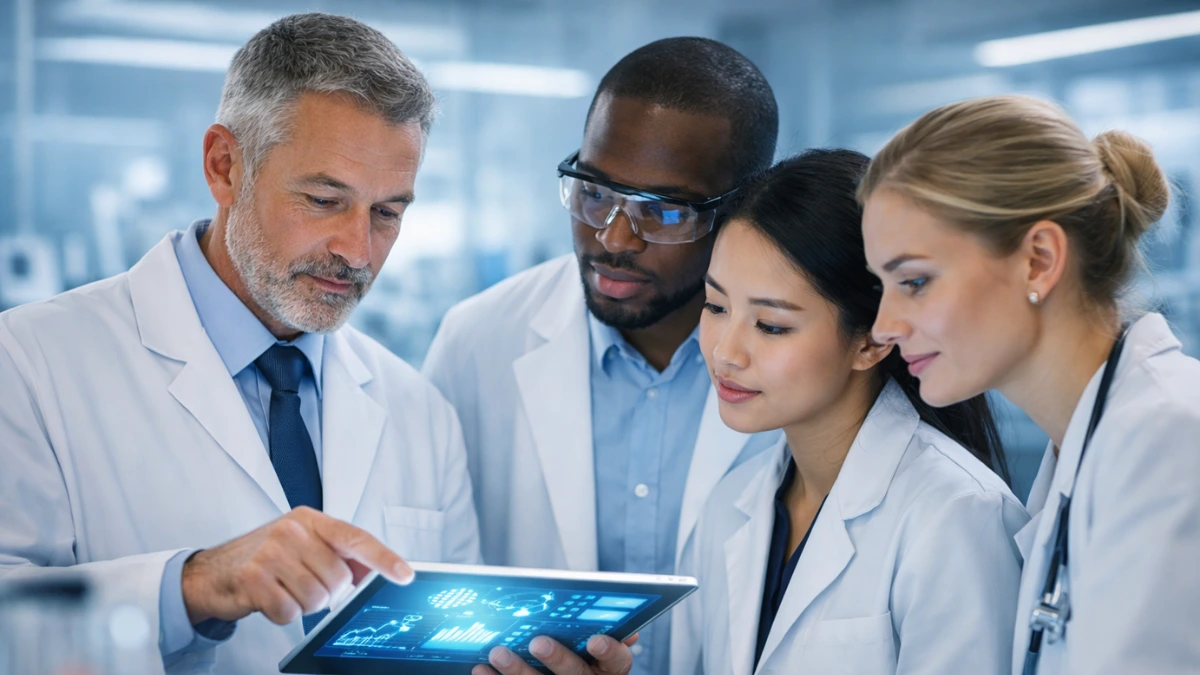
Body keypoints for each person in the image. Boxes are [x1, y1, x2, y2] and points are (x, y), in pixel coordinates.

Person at [0, 14, 484, 675]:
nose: (357, 249)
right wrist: (197, 586)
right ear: (224, 166)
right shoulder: (29, 362)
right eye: (322, 199)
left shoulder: (418, 409)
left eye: (387, 213)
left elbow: (453, 646)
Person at [423, 37, 780, 675]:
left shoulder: (799, 362)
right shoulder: (478, 341)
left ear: (743, 209)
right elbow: (433, 589)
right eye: (594, 192)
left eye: (664, 210)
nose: (613, 239)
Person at [859, 94, 1200, 675]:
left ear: (1039, 259)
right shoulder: (1088, 443)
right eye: (881, 286)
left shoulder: (1168, 440)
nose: (885, 327)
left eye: (914, 281)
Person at [680, 149, 1027, 674]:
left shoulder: (957, 516)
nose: (726, 352)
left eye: (771, 325)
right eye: (716, 306)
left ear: (871, 342)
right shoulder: (731, 505)